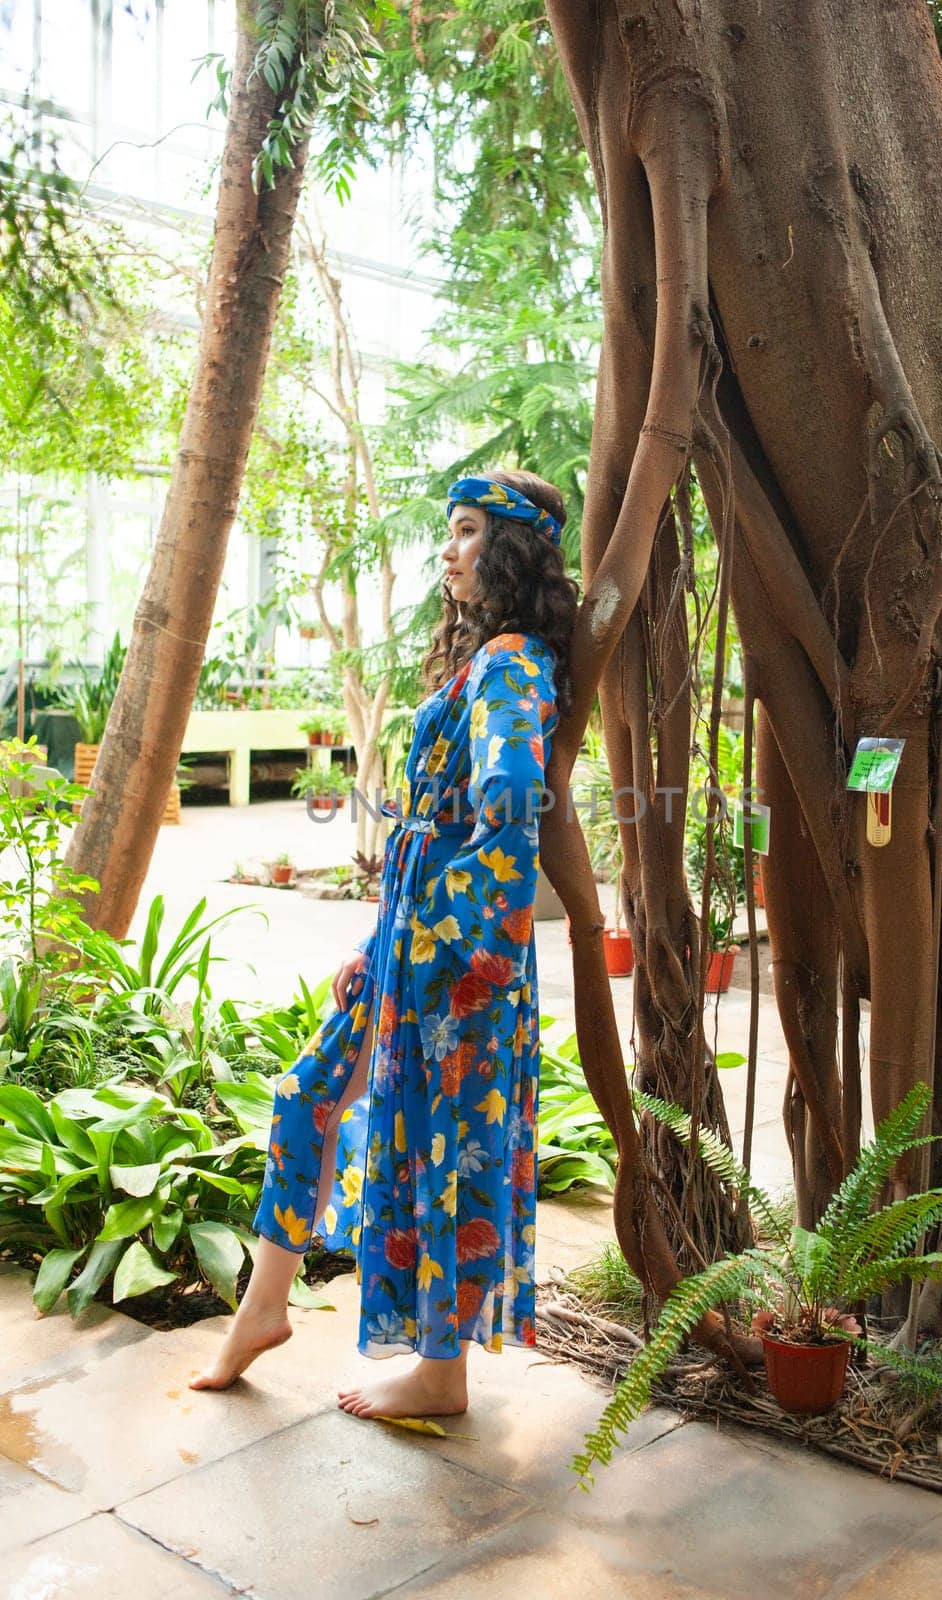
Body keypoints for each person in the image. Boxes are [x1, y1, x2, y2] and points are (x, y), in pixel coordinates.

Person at [190, 468, 579, 1421]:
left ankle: (441, 1374)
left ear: (511, 546)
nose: (445, 549)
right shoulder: (480, 659)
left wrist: (441, 939)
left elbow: (511, 811)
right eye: (446, 532)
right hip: (409, 948)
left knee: (450, 1151)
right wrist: (380, 944)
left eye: (465, 531)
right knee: (307, 1094)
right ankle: (263, 1311)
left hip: (457, 966)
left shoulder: (512, 663)